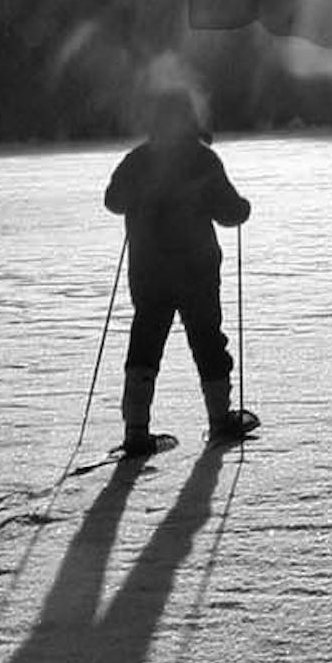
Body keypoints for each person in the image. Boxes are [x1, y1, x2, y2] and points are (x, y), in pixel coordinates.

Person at [103, 90, 258, 453]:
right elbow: (230, 212)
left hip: (148, 271)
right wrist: (243, 208)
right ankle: (220, 420)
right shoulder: (202, 160)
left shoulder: (138, 160)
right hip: (197, 270)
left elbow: (113, 202)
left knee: (145, 344)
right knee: (207, 341)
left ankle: (135, 432)